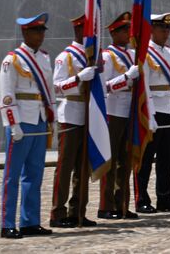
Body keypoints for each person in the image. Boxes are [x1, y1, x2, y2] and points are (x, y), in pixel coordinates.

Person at [0, 12, 56, 239]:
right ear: (25, 32)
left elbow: (48, 90)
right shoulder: (12, 60)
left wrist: (52, 118)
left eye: (42, 31)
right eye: (36, 31)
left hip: (39, 120)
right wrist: (13, 123)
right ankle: (7, 223)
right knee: (12, 176)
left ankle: (30, 221)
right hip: (21, 122)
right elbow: (6, 94)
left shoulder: (44, 57)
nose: (40, 35)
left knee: (34, 174)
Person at [50, 14, 98, 228]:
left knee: (82, 168)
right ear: (78, 31)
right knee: (65, 166)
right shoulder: (65, 57)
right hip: (70, 113)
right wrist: (78, 78)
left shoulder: (92, 57)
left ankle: (78, 210)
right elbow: (57, 86)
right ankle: (57, 212)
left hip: (88, 114)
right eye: (87, 31)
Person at [137, 12, 170, 214]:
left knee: (166, 158)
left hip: (169, 107)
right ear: (151, 30)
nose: (166, 32)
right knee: (146, 158)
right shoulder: (145, 53)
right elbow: (144, 85)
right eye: (162, 28)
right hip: (153, 109)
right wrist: (148, 113)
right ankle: (142, 199)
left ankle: (165, 197)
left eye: (168, 28)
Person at [98, 11, 139, 220]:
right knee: (111, 160)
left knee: (126, 160)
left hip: (129, 109)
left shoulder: (132, 55)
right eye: (124, 30)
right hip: (113, 110)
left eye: (128, 30)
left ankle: (122, 203)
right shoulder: (108, 56)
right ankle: (106, 205)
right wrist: (126, 77)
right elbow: (104, 86)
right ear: (114, 33)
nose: (127, 34)